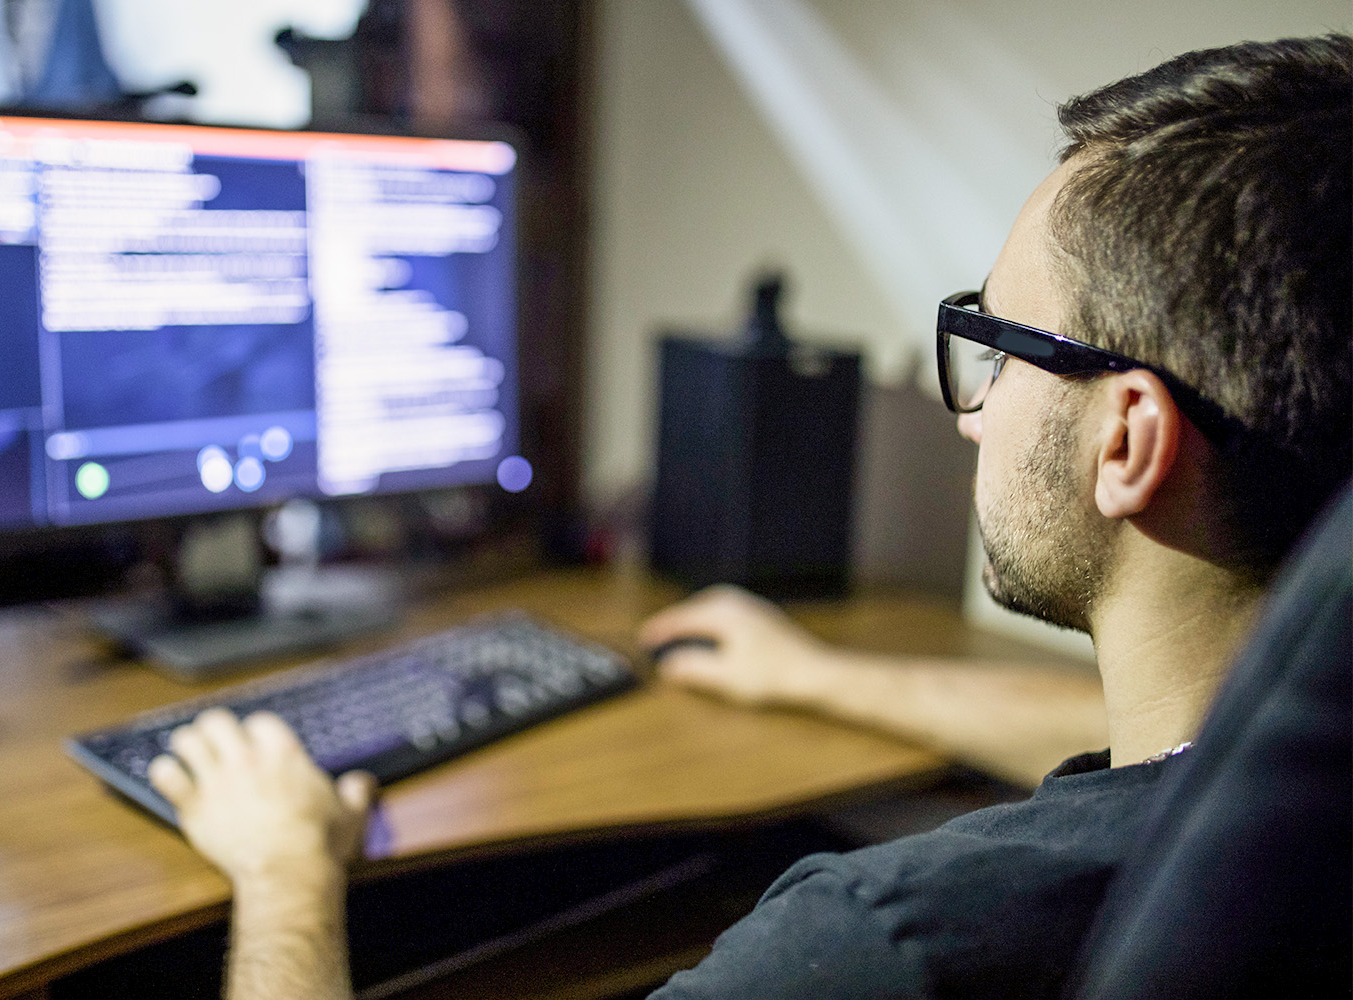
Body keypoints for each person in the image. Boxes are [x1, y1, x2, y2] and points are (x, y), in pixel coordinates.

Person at [146, 34, 1352, 999]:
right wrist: (824, 678)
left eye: (993, 347)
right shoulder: (1290, 784)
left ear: (1127, 439)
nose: (971, 415)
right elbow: (1167, 749)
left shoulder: (883, 941)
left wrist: (287, 873)